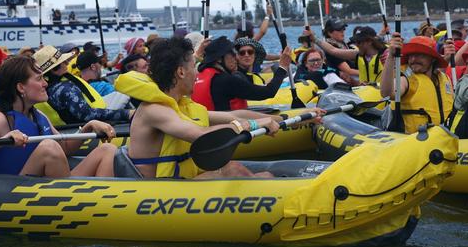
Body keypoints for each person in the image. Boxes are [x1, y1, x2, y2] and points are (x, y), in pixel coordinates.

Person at [121, 37, 286, 179]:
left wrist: (279, 119)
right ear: (181, 72)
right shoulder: (154, 110)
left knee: (234, 168)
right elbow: (201, 135)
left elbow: (232, 115)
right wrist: (254, 125)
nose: (197, 74)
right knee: (236, 171)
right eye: (194, 66)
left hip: (176, 179)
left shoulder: (178, 105)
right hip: (157, 188)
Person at [0, 56, 117, 177]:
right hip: (14, 190)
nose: (45, 83)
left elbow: (65, 148)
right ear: (21, 87)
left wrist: (88, 126)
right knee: (48, 147)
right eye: (39, 79)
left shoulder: (38, 115)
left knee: (107, 150)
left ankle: (103, 208)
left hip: (46, 186)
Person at [36, 45, 132, 125]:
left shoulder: (50, 87)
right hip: (84, 129)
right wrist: (127, 113)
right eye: (62, 62)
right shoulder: (64, 89)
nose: (67, 62)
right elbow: (88, 115)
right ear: (54, 69)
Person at [380, 34, 455, 134]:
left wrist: (447, 57)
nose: (413, 59)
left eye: (420, 55)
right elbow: (388, 93)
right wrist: (391, 56)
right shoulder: (406, 79)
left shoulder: (443, 78)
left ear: (432, 59)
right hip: (414, 142)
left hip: (442, 140)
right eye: (411, 55)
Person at [192, 36, 291, 111]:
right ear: (219, 59)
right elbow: (269, 92)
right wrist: (282, 67)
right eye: (231, 53)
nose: (236, 57)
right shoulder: (227, 81)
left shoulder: (198, 74)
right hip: (225, 133)